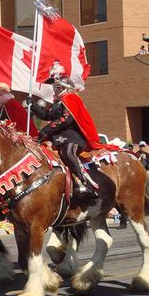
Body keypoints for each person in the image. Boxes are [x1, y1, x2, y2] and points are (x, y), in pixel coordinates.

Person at [30, 62, 113, 198]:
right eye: (54, 87)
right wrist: (32, 104)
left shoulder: (70, 98)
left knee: (67, 152)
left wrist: (46, 130)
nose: (54, 90)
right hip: (58, 136)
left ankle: (86, 183)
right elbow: (47, 116)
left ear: (63, 87)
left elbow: (66, 119)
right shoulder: (58, 103)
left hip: (72, 136)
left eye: (56, 87)